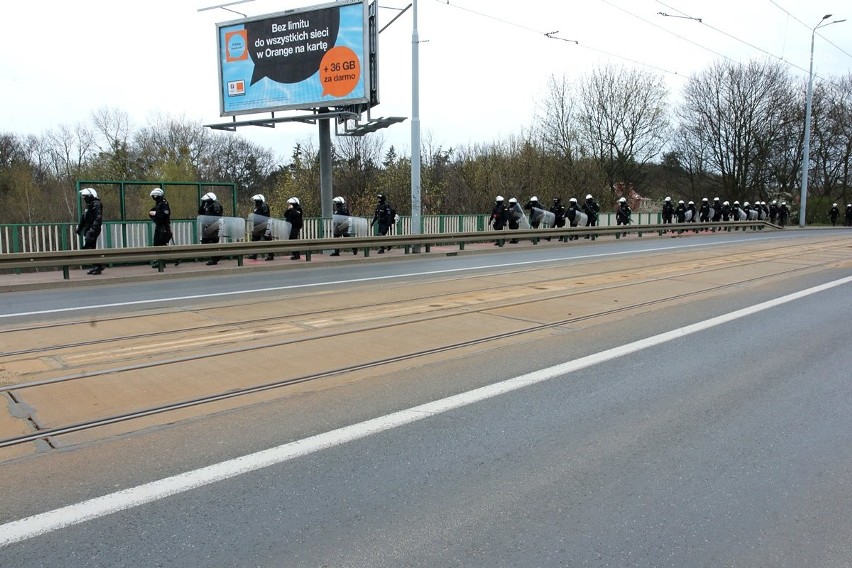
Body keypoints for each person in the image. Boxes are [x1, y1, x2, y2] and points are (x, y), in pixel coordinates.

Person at [76, 187, 105, 275]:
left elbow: (98, 217)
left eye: (85, 196)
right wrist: (79, 228)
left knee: (89, 247)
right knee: (91, 248)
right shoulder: (89, 205)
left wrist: (93, 229)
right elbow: (83, 217)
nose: (84, 198)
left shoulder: (96, 204)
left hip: (93, 229)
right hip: (89, 229)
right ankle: (96, 266)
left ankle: (98, 265)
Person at [148, 187, 173, 268]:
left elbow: (165, 214)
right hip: (159, 226)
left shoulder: (164, 203)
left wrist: (155, 214)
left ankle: (162, 263)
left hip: (164, 227)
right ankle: (159, 261)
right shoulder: (158, 204)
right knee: (156, 244)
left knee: (161, 244)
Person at [198, 192, 224, 265]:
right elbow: (200, 212)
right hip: (207, 227)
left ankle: (215, 258)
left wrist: (213, 226)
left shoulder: (216, 206)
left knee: (212, 242)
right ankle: (217, 256)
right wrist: (203, 204)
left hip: (213, 227)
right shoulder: (207, 206)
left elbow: (217, 217)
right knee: (205, 241)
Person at [248, 194, 273, 261]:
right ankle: (254, 254)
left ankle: (271, 255)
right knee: (254, 239)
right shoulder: (257, 207)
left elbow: (265, 216)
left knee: (268, 240)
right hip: (257, 226)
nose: (255, 202)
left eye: (256, 200)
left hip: (264, 225)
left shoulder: (264, 206)